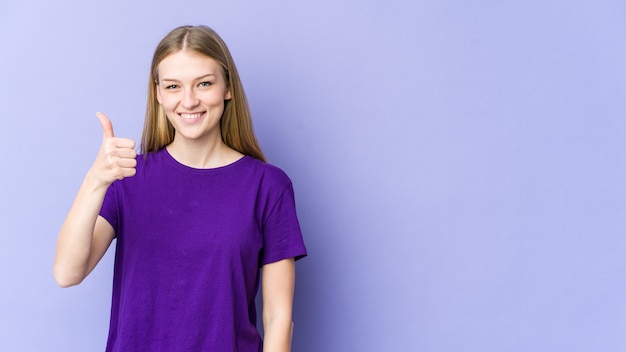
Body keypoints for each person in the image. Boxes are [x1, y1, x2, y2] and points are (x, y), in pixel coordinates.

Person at [53, 25, 307, 352]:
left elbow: (278, 318)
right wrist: (96, 180)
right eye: (174, 86)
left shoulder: (268, 187)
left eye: (204, 83)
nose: (189, 101)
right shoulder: (128, 178)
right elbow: (67, 273)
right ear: (158, 93)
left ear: (227, 88)